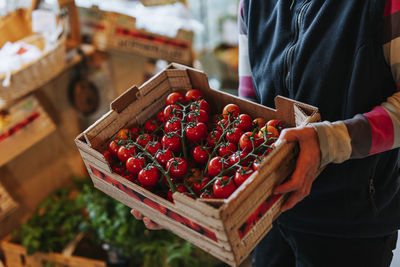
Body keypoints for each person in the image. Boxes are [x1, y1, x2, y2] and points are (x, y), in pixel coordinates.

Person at [133, 0, 400, 266]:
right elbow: (253, 108)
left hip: (351, 222)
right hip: (269, 214)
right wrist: (186, 200)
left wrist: (327, 141)